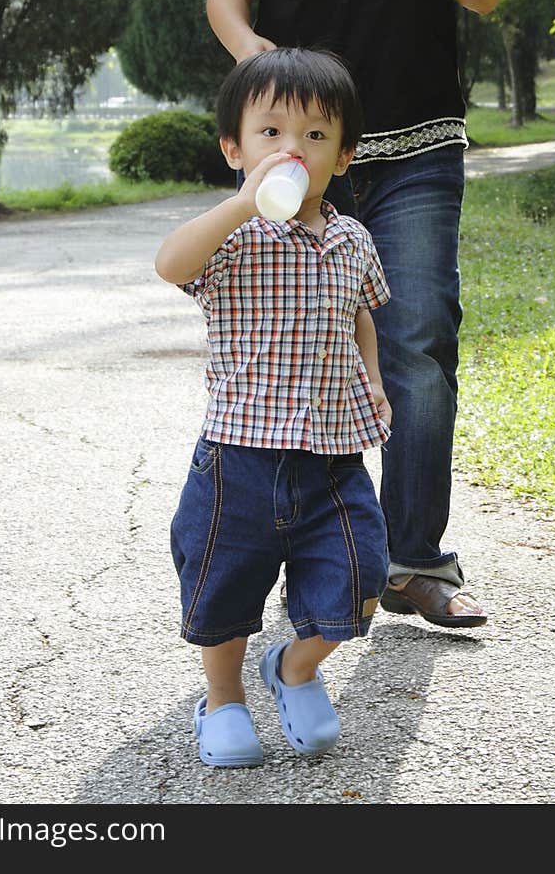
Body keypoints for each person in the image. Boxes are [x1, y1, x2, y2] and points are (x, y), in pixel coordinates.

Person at [206, 0, 503, 628]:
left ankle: (416, 559)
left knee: (417, 337)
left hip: (416, 142)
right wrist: (265, 69)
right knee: (295, 343)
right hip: (302, 155)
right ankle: (313, 551)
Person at [156, 47, 393, 767]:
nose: (293, 149)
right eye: (271, 133)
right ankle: (224, 697)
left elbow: (361, 314)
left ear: (344, 155)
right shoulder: (235, 236)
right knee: (222, 589)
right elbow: (171, 263)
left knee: (362, 574)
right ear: (235, 146)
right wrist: (239, 200)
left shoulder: (353, 238)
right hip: (238, 457)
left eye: (316, 135)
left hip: (331, 457)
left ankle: (294, 665)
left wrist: (374, 377)